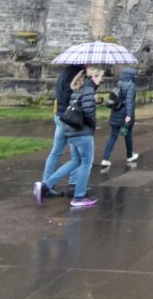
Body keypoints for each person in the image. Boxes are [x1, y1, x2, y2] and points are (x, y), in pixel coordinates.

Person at [34, 64, 102, 209]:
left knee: (75, 160)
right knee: (86, 161)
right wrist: (92, 126)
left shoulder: (78, 85)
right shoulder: (88, 89)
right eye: (100, 77)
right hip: (80, 129)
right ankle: (79, 196)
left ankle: (45, 185)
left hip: (70, 125)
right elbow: (89, 113)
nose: (101, 80)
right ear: (94, 76)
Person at [39, 63, 84, 197]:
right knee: (77, 155)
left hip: (60, 115)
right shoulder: (76, 75)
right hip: (69, 118)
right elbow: (71, 96)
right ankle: (74, 183)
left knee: (56, 152)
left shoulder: (64, 73)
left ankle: (45, 184)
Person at [100, 67, 138, 167]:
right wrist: (129, 115)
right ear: (131, 76)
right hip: (125, 114)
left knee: (113, 136)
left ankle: (105, 158)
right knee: (128, 135)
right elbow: (129, 101)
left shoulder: (119, 83)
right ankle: (129, 156)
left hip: (116, 112)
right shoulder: (131, 85)